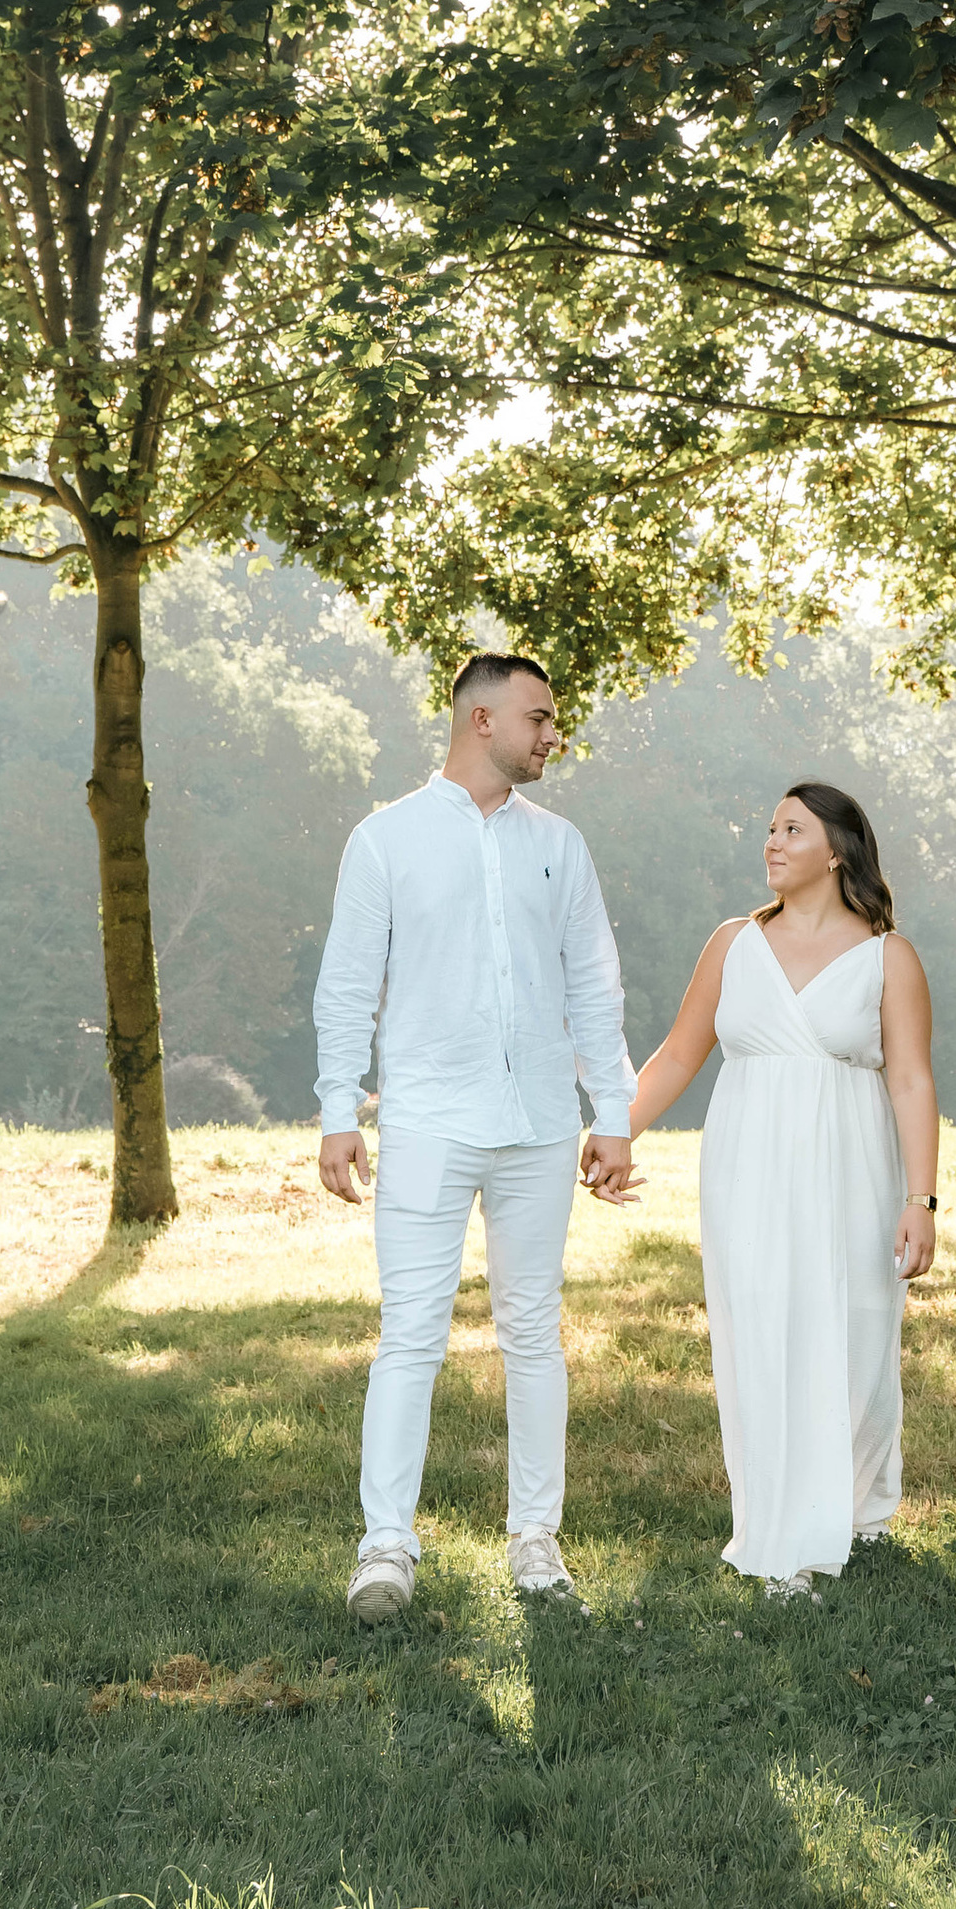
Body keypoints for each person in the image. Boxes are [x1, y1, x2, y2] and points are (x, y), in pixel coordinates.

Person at [313, 652, 635, 1625]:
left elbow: (593, 982)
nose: (552, 736)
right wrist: (338, 1110)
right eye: (539, 718)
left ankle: (535, 1541)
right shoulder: (386, 840)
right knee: (409, 1336)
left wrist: (610, 1115)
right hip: (425, 1123)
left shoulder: (560, 843)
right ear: (481, 718)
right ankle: (385, 1549)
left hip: (540, 1125)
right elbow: (346, 982)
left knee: (534, 1334)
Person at [618, 783, 938, 1594]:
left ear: (835, 851)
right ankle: (779, 1526)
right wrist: (616, 1131)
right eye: (768, 828)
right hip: (748, 1162)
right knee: (759, 1326)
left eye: (791, 829)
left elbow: (910, 1080)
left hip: (852, 1164)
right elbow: (679, 1054)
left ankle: (858, 1507)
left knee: (855, 1334)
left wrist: (921, 1200)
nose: (771, 841)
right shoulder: (733, 943)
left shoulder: (888, 956)